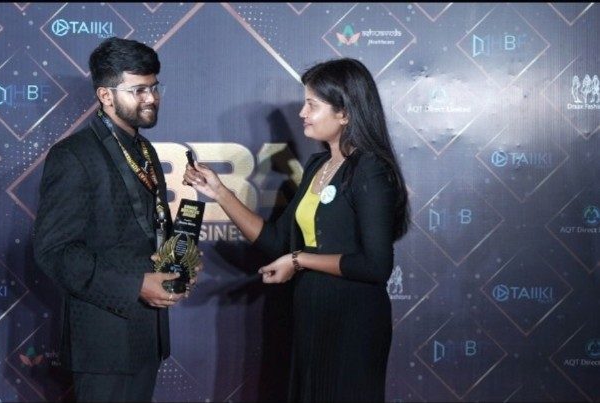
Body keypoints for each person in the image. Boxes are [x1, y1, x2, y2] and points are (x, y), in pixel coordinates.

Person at [184, 57, 410, 401]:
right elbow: (278, 242)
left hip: (353, 320)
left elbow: (376, 266)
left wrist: (299, 260)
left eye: (312, 105)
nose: (302, 113)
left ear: (344, 113)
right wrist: (219, 192)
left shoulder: (370, 169)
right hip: (311, 315)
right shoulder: (318, 164)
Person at [33, 37, 194, 402]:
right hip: (104, 343)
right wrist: (135, 285)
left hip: (148, 337)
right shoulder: (73, 155)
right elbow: (54, 251)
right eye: (138, 90)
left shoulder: (145, 149)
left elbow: (151, 227)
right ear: (105, 95)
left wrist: (180, 261)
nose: (151, 98)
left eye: (154, 87)